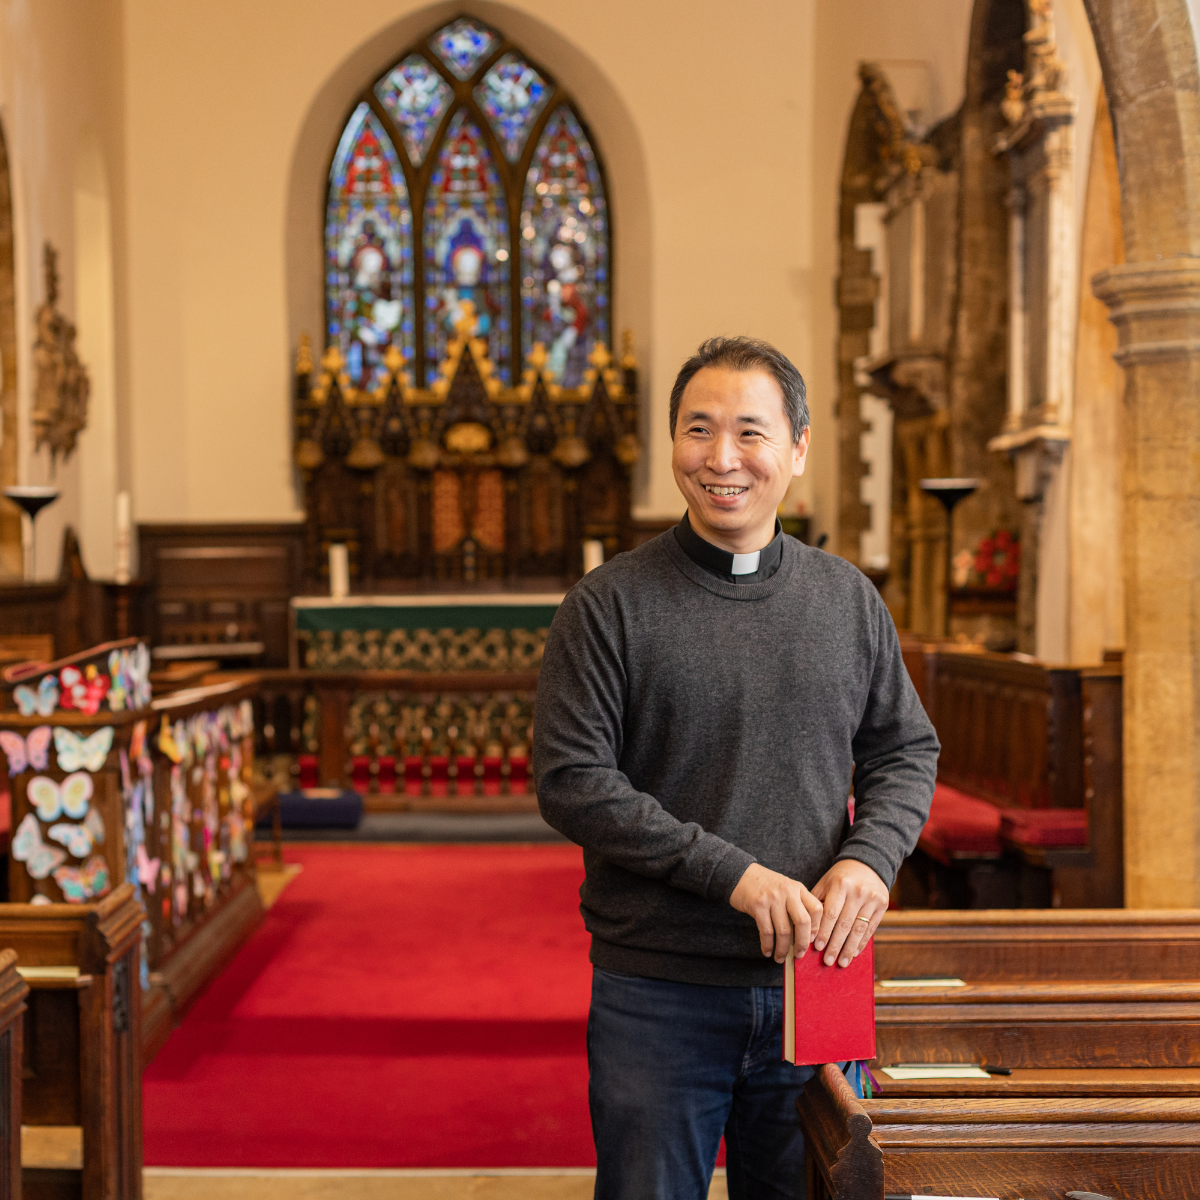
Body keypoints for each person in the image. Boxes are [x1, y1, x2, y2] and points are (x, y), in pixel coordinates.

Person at [533, 336, 939, 1200]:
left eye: (750, 433)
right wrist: (737, 878)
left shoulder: (847, 600)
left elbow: (905, 748)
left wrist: (871, 858)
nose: (722, 458)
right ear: (671, 445)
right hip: (660, 985)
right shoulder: (608, 603)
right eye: (698, 430)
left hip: (817, 980)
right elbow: (573, 779)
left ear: (796, 450)